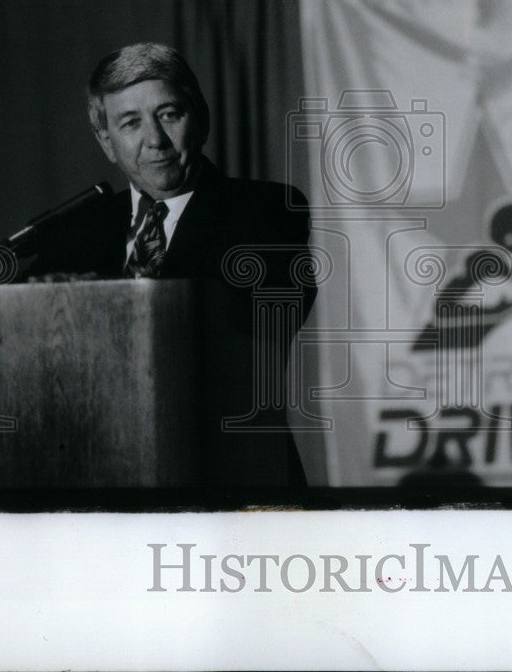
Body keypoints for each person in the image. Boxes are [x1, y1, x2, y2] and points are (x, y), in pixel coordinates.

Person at [22, 42, 316, 492]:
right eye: (130, 122)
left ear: (201, 119)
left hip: (231, 475)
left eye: (169, 115)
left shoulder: (270, 210)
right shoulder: (74, 232)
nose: (154, 140)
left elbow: (244, 328)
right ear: (106, 141)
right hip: (100, 472)